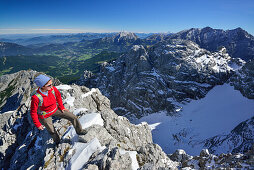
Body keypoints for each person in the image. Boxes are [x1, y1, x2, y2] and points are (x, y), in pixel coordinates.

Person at [30, 74, 87, 145]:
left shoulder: (53, 89)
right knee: (51, 130)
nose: (51, 86)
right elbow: (33, 112)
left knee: (73, 117)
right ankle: (57, 141)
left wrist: (62, 107)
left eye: (51, 84)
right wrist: (37, 124)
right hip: (45, 115)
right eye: (49, 85)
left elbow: (58, 96)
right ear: (42, 86)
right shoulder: (36, 97)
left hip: (55, 109)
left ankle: (79, 131)